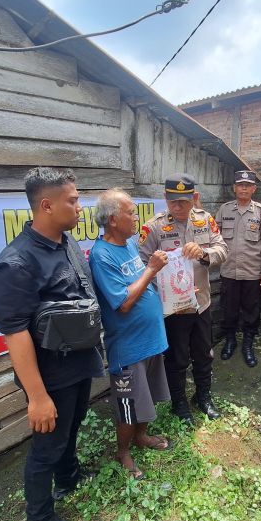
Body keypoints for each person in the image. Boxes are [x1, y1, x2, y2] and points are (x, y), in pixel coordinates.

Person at [0, 167, 104, 521]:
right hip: (49, 375)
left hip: (79, 361)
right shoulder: (16, 264)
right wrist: (37, 398)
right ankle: (40, 519)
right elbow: (16, 335)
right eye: (73, 200)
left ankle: (69, 477)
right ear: (47, 205)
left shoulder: (66, 243)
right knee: (47, 445)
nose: (80, 206)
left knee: (73, 425)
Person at [89, 189, 173, 479]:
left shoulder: (127, 245)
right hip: (128, 347)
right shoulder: (101, 256)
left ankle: (141, 437)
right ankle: (123, 451)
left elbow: (139, 284)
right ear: (113, 219)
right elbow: (123, 303)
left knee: (146, 395)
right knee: (128, 406)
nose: (136, 218)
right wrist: (151, 269)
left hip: (150, 340)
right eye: (131, 213)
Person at [139, 173, 228, 424]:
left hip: (201, 305)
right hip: (174, 310)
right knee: (177, 358)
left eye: (184, 202)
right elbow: (143, 266)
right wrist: (170, 293)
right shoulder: (154, 227)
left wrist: (203, 252)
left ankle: (203, 397)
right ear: (165, 198)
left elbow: (223, 250)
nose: (178, 207)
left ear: (195, 198)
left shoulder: (204, 220)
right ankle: (179, 403)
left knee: (204, 354)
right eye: (173, 201)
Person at [215, 170, 261, 367]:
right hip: (229, 271)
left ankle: (248, 344)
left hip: (252, 272)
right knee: (229, 309)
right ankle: (230, 340)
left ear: (253, 189)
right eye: (240, 185)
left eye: (247, 185)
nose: (243, 188)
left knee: (251, 310)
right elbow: (215, 239)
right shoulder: (224, 210)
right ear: (234, 188)